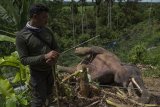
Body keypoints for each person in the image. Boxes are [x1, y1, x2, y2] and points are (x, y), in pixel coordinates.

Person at [16, 3, 59, 107]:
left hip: (50, 71)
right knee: (38, 100)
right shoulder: (22, 36)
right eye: (44, 17)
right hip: (37, 74)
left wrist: (54, 57)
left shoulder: (47, 31)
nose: (46, 20)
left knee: (50, 96)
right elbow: (24, 60)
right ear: (35, 17)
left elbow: (56, 48)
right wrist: (44, 57)